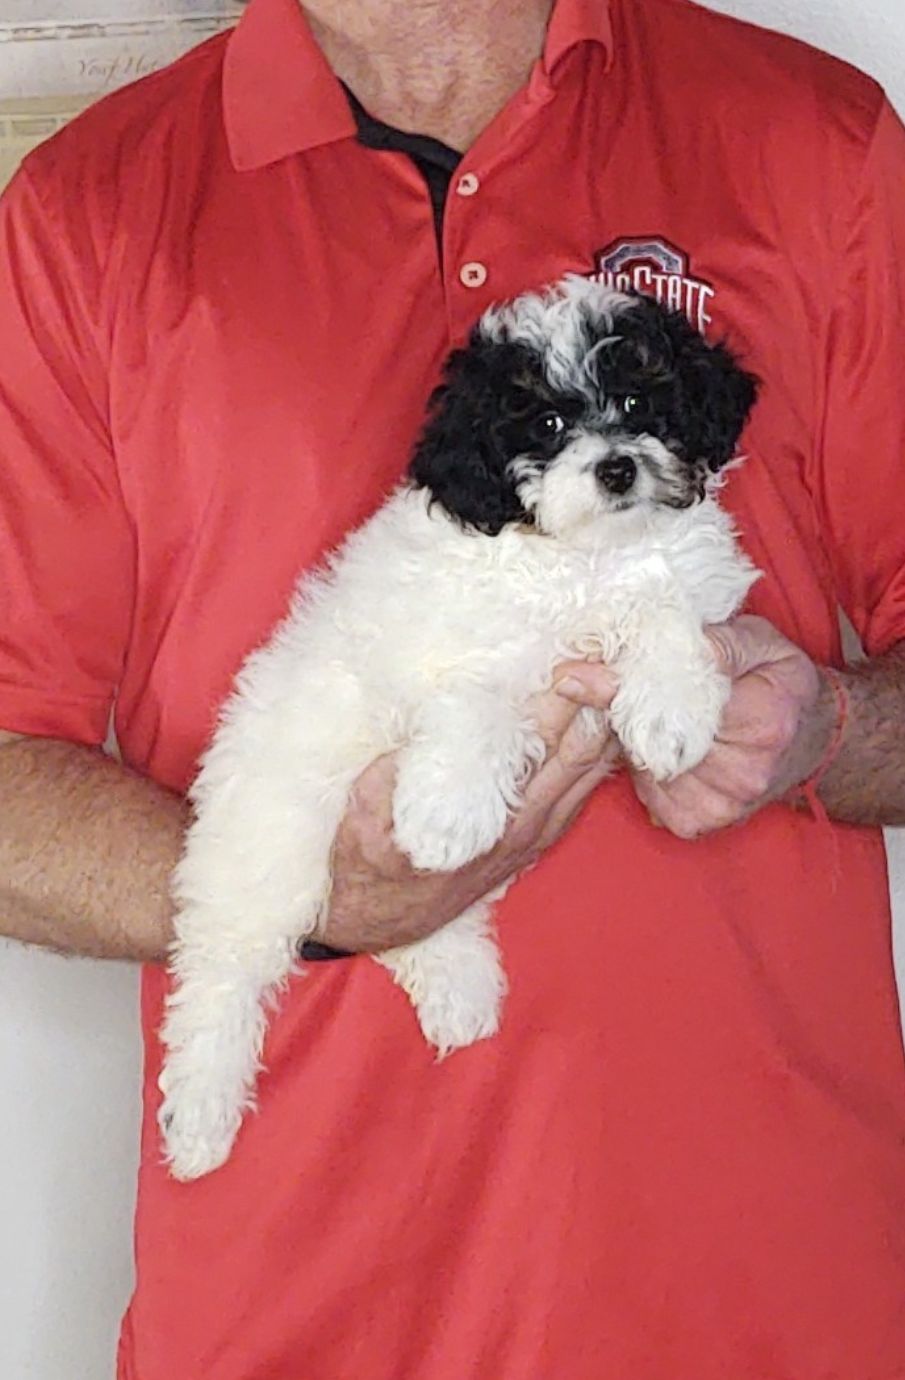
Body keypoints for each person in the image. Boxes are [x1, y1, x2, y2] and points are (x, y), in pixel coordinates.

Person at [0, 0, 903, 1374]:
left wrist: (828, 730)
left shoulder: (816, 139)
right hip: (298, 1305)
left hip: (768, 1287)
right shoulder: (86, 214)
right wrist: (311, 897)